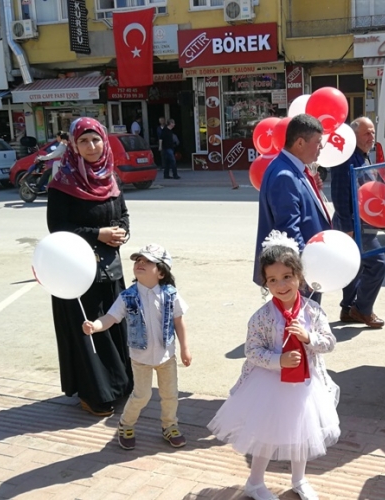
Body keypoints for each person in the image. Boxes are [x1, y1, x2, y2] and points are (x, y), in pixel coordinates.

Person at [209, 230, 339, 500]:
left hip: (306, 384)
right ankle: (255, 482)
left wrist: (309, 338)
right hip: (270, 384)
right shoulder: (262, 317)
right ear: (265, 283)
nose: (281, 285)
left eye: (287, 277)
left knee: (302, 431)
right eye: (273, 280)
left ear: (299, 276)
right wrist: (278, 360)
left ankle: (299, 479)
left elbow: (329, 342)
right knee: (266, 433)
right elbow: (252, 351)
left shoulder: (313, 312)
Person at [47, 117, 133, 417]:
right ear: (73, 145)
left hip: (109, 267)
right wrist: (98, 234)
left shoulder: (110, 177)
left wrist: (121, 231)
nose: (92, 146)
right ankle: (94, 393)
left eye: (96, 139)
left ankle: (119, 385)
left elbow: (123, 213)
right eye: (84, 141)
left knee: (114, 322)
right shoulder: (63, 182)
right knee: (90, 329)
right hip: (77, 272)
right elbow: (57, 227)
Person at [82, 244, 191, 450]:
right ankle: (126, 424)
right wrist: (95, 326)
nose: (140, 263)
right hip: (140, 358)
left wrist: (185, 348)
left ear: (161, 272)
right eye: (138, 260)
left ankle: (170, 425)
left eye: (147, 261)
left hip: (167, 356)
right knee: (142, 395)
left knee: (170, 394)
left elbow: (179, 321)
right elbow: (110, 318)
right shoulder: (128, 296)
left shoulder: (170, 294)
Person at [253, 114, 331, 289]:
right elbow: (289, 230)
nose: (321, 147)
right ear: (300, 143)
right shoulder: (285, 175)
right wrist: (304, 271)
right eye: (318, 142)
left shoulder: (291, 168)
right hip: (296, 274)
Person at [330, 116, 385, 329]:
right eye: (366, 133)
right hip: (354, 225)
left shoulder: (363, 156)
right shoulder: (346, 159)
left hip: (363, 223)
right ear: (354, 136)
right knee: (378, 264)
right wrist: (347, 227)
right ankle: (362, 309)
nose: (371, 137)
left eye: (372, 132)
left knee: (355, 267)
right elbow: (339, 194)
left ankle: (348, 309)